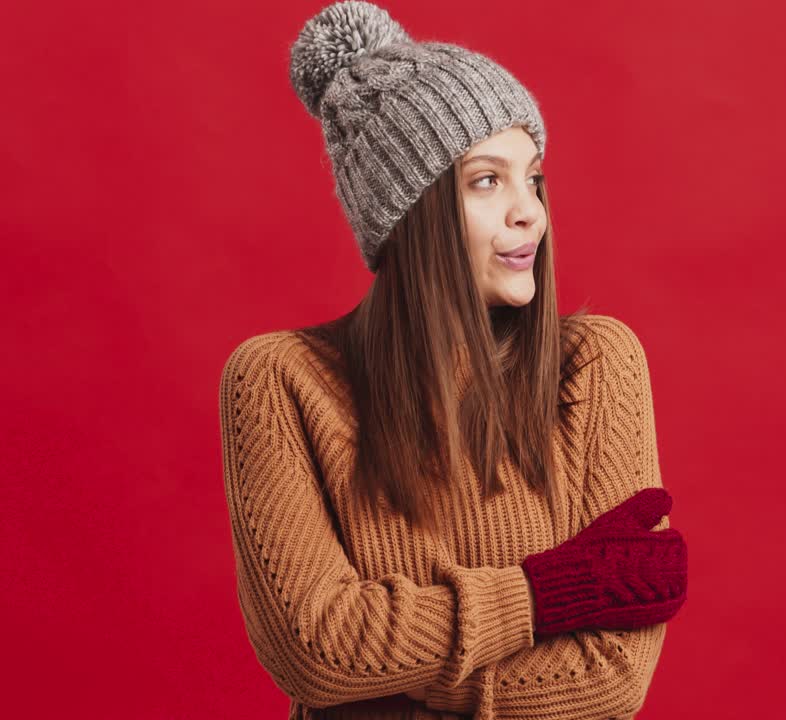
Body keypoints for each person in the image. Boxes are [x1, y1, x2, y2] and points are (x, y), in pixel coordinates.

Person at [216, 2, 689, 718]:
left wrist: (381, 687)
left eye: (533, 178)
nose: (529, 211)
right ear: (410, 214)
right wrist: (548, 592)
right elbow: (315, 651)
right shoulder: (280, 381)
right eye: (487, 181)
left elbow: (610, 677)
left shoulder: (596, 365)